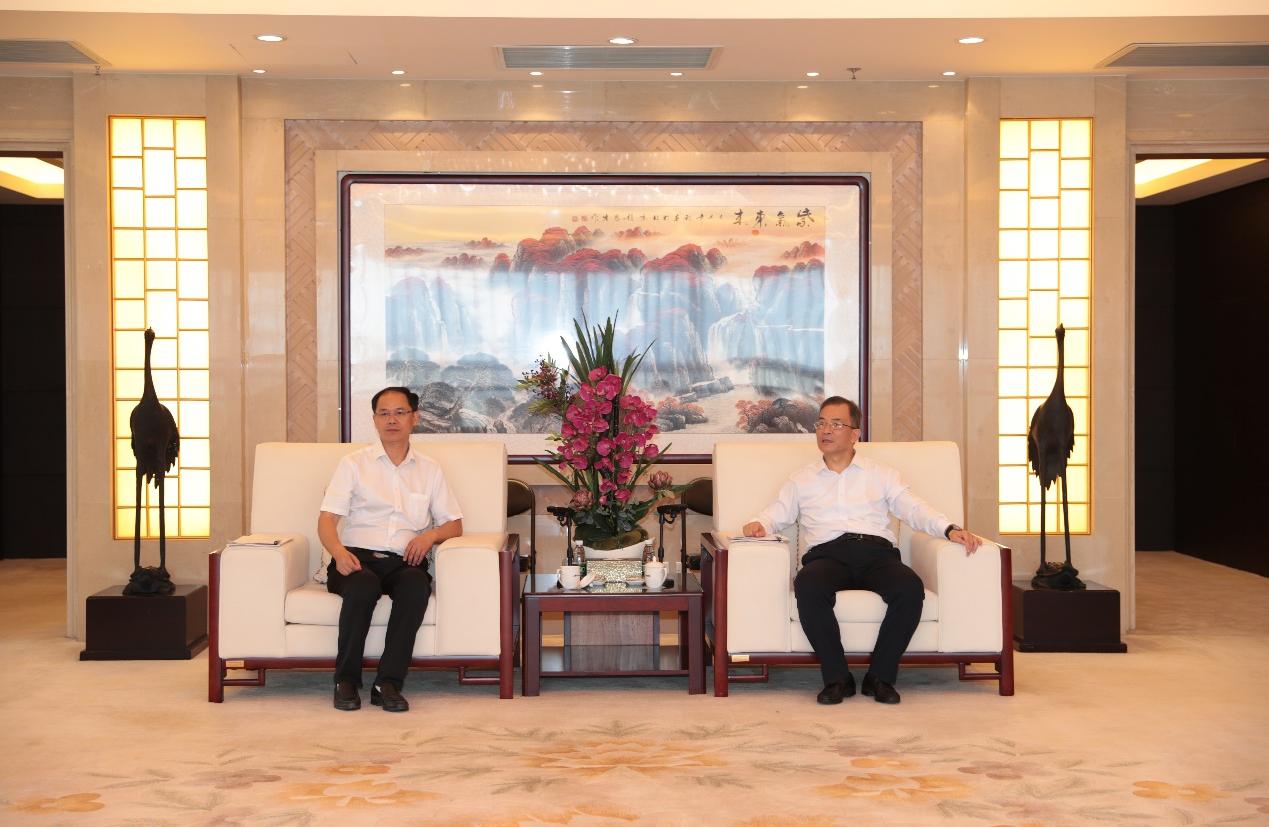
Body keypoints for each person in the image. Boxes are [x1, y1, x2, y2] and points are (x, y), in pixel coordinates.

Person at [742, 396, 981, 705]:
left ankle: (880, 677)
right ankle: (837, 678)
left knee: (909, 588)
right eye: (821, 423)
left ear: (855, 433)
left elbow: (913, 508)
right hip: (826, 556)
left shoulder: (881, 474)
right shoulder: (801, 479)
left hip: (876, 554)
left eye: (836, 424)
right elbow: (778, 512)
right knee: (808, 585)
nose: (826, 430)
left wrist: (949, 528)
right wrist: (758, 523)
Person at [317, 387, 463, 712]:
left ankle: (388, 683)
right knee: (363, 586)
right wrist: (338, 553)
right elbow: (327, 520)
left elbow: (455, 525)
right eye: (384, 414)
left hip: (404, 561)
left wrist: (429, 536)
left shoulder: (430, 469)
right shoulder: (353, 464)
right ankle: (346, 681)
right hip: (356, 558)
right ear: (374, 420)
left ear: (415, 418)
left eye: (400, 413)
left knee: (415, 586)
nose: (391, 420)